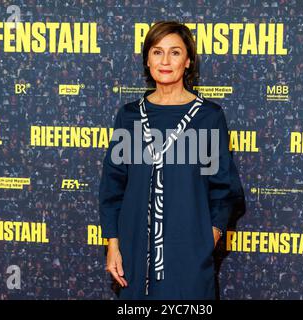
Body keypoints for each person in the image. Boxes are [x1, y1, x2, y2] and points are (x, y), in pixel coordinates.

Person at [99, 21, 244, 300]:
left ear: (188, 61)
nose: (165, 61)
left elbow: (225, 190)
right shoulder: (129, 116)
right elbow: (112, 187)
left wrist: (206, 239)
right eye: (157, 52)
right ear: (147, 60)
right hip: (134, 255)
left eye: (175, 52)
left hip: (188, 258)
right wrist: (113, 245)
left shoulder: (208, 117)